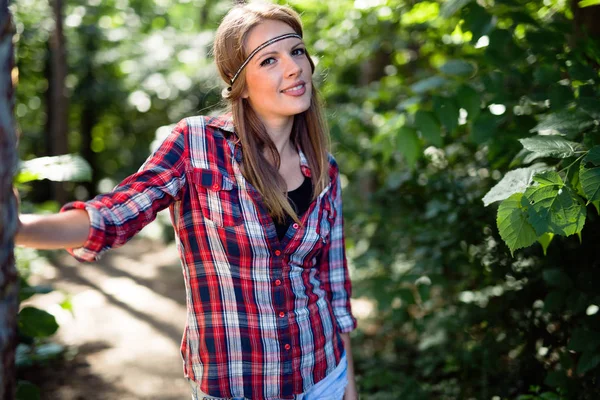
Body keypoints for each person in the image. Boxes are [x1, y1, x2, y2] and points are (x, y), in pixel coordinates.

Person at [15, 2, 358, 399]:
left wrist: (348, 387)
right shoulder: (196, 145)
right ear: (239, 84)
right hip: (234, 386)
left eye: (297, 51)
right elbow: (114, 214)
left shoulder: (324, 169)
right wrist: (18, 229)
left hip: (323, 375)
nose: (294, 67)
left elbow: (333, 285)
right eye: (269, 60)